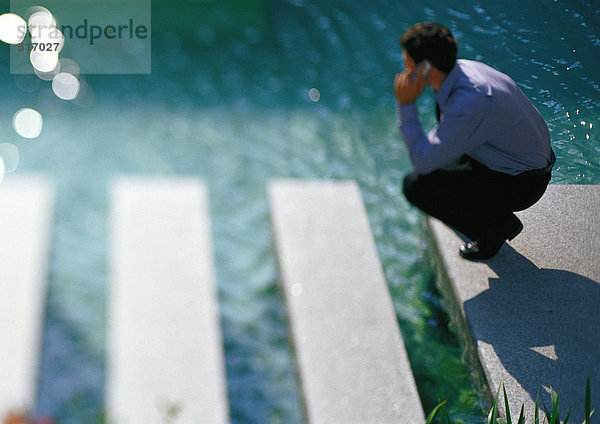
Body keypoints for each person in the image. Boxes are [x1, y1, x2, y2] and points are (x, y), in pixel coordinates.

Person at [394, 22, 555, 261]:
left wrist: (406, 104)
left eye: (407, 63)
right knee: (439, 166)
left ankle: (494, 228)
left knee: (416, 186)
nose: (404, 71)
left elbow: (423, 161)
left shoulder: (469, 100)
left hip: (522, 185)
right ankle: (492, 216)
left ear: (426, 67)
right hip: (517, 164)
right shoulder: (464, 71)